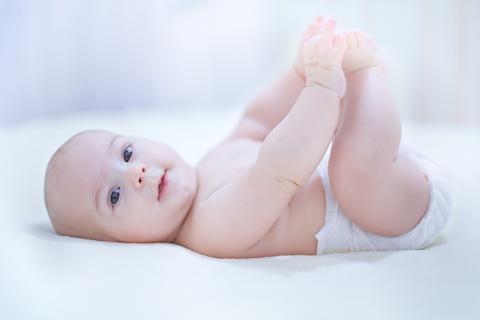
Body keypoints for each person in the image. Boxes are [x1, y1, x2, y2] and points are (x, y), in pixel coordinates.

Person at [44, 17, 452, 258]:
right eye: (114, 196)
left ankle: (367, 87)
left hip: (392, 188)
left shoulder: (207, 167)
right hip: (390, 222)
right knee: (352, 174)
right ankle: (365, 77)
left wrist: (296, 74)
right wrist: (322, 89)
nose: (136, 173)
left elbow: (257, 124)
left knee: (351, 168)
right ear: (119, 245)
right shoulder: (208, 231)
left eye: (127, 152)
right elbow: (278, 170)